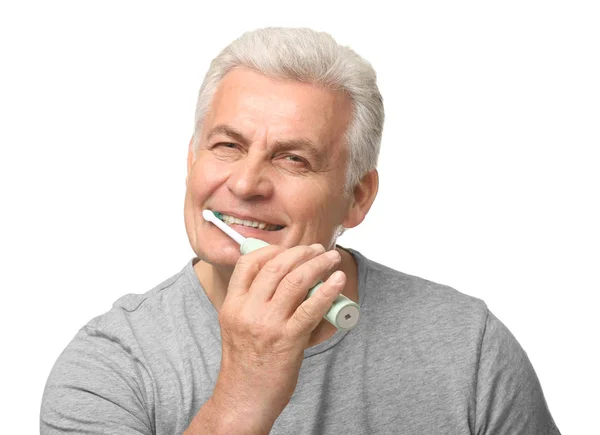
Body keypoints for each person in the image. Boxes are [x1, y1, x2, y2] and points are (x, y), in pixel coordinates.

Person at [41, 27, 560, 434]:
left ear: (357, 197)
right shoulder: (110, 364)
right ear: (192, 161)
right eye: (227, 146)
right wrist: (243, 398)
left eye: (293, 159)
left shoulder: (469, 348)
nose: (244, 183)